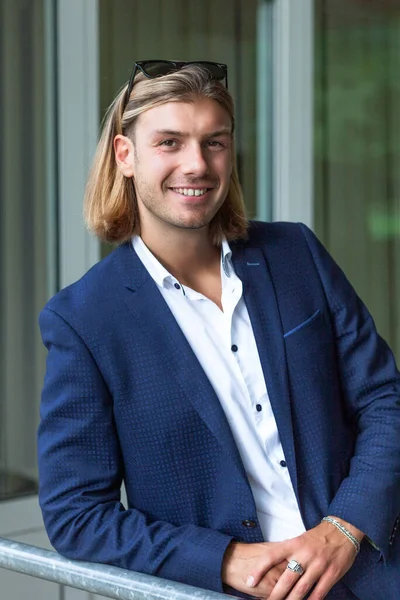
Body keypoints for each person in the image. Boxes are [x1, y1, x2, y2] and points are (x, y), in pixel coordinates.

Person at [37, 61, 400, 600]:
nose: (197, 164)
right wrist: (224, 560)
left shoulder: (296, 253)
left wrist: (345, 527)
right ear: (125, 155)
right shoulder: (85, 319)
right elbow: (76, 514)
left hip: (372, 574)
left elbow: (384, 400)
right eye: (169, 142)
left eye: (214, 142)